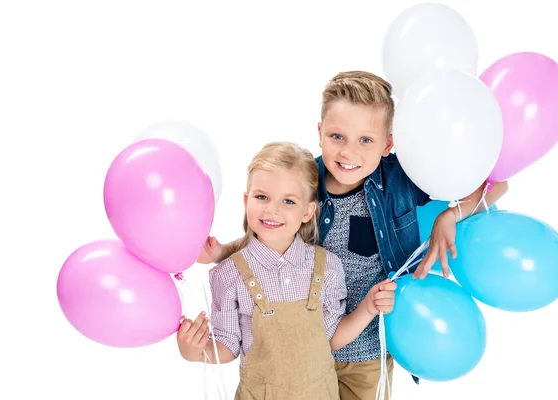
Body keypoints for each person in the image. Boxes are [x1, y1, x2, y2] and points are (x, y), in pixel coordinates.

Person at [197, 71, 509, 399]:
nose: (348, 153)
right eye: (337, 137)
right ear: (319, 133)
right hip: (304, 350)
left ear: (388, 143)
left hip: (369, 350)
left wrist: (450, 215)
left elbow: (496, 183)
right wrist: (223, 252)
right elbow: (270, 233)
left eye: (365, 140)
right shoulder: (305, 179)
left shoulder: (402, 178)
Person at [177, 141, 397, 400]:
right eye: (262, 197)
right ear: (246, 201)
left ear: (307, 212)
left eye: (288, 201)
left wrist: (368, 307)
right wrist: (194, 351)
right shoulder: (228, 274)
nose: (272, 209)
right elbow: (227, 346)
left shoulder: (327, 267)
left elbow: (331, 339)